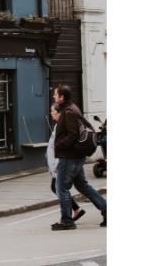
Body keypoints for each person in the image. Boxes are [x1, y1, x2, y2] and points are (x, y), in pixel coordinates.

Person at [51, 85, 107, 230]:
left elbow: (73, 134)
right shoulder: (73, 108)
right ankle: (106, 210)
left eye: (56, 95)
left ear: (62, 97)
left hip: (69, 157)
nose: (54, 97)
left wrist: (59, 145)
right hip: (76, 156)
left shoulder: (68, 112)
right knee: (83, 186)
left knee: (61, 188)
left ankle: (67, 221)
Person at [47, 103, 85, 222]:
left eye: (53, 111)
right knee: (58, 187)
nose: (51, 114)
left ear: (58, 113)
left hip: (62, 163)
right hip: (60, 162)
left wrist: (57, 163)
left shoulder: (61, 126)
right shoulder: (58, 125)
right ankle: (76, 210)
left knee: (59, 188)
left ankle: (68, 218)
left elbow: (61, 146)